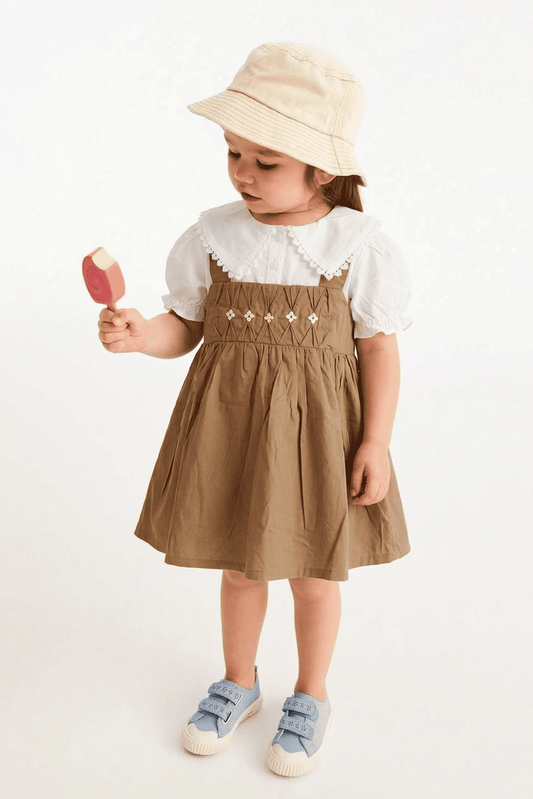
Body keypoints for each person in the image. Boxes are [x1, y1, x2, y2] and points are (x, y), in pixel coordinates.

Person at [97, 42, 412, 778]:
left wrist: (377, 442)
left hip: (317, 438)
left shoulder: (356, 245)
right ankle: (238, 680)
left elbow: (378, 350)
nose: (243, 172)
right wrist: (143, 335)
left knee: (312, 572)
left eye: (265, 161)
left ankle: (311, 692)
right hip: (233, 430)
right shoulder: (215, 235)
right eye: (235, 153)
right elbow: (188, 323)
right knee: (242, 566)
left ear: (321, 169)